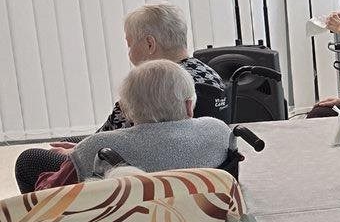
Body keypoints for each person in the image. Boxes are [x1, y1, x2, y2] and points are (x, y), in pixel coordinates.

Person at [15, 2, 227, 193]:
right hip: (196, 161)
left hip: (139, 170)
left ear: (150, 44)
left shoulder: (147, 86)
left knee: (30, 159)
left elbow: (109, 138)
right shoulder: (210, 75)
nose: (129, 52)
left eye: (129, 44)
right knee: (69, 142)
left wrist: (78, 153)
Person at [67, 60, 233, 179]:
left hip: (134, 218)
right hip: (208, 215)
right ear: (189, 106)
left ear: (127, 112)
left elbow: (57, 195)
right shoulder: (218, 131)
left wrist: (72, 154)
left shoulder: (95, 149)